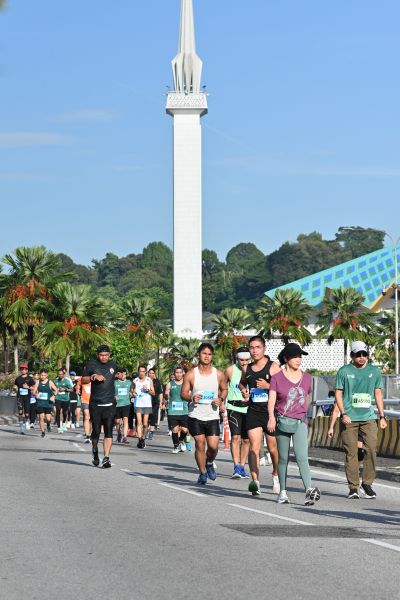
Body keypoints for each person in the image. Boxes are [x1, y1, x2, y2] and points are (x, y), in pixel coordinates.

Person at [268, 343, 321, 506]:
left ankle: (308, 491)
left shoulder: (307, 377)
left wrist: (304, 413)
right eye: (295, 357)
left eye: (300, 356)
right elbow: (272, 400)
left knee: (302, 457)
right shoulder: (277, 378)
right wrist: (271, 417)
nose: (298, 359)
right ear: (286, 358)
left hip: (300, 422)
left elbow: (307, 397)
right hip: (282, 421)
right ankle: (283, 492)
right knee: (283, 458)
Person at [334, 340, 387, 499]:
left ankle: (367, 483)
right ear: (352, 355)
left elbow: (378, 393)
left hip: (369, 418)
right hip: (349, 418)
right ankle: (353, 487)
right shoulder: (344, 371)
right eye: (358, 354)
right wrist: (343, 413)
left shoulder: (374, 371)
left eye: (364, 354)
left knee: (371, 449)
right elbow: (338, 394)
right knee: (351, 452)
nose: (362, 357)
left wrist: (382, 416)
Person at [181, 343, 227, 485]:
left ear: (212, 356)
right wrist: (191, 397)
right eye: (204, 353)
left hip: (212, 415)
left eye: (209, 354)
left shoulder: (218, 374)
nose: (206, 356)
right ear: (198, 355)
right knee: (200, 444)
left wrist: (220, 399)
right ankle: (202, 473)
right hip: (195, 415)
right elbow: (183, 393)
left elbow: (224, 389)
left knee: (213, 447)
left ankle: (209, 462)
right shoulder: (191, 374)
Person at [240, 335, 280, 496]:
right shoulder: (247, 368)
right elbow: (242, 383)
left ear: (264, 348)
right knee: (254, 447)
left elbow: (284, 388)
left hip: (270, 413)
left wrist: (268, 386)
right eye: (252, 348)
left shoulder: (273, 367)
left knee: (272, 448)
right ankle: (255, 481)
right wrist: (244, 391)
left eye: (258, 347)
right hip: (253, 411)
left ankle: (275, 475)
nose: (254, 350)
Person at [81, 344, 117, 468]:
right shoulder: (91, 364)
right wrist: (93, 377)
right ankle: (95, 450)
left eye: (106, 355)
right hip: (95, 403)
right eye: (101, 355)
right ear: (98, 355)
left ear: (109, 355)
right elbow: (83, 380)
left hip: (110, 404)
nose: (104, 357)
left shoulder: (113, 364)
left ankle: (106, 458)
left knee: (108, 430)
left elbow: (118, 376)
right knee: (96, 432)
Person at [225, 346, 251, 479]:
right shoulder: (230, 370)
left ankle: (242, 466)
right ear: (237, 358)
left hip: (249, 409)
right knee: (235, 437)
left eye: (247, 360)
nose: (244, 363)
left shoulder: (253, 370)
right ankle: (236, 466)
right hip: (233, 407)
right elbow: (222, 387)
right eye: (241, 360)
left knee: (246, 440)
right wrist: (221, 402)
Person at [164, 366, 189, 453]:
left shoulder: (186, 384)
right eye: (177, 372)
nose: (178, 374)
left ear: (183, 373)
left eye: (180, 372)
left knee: (185, 430)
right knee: (175, 429)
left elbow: (190, 394)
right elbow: (166, 396)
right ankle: (176, 446)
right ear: (174, 374)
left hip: (184, 410)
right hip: (172, 411)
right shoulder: (170, 384)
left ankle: (181, 440)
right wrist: (166, 395)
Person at [132, 366, 155, 448]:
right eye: (140, 371)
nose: (141, 373)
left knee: (145, 424)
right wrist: (133, 394)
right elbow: (131, 391)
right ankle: (140, 440)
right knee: (139, 423)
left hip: (147, 404)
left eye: (143, 371)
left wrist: (147, 390)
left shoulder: (149, 380)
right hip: (138, 403)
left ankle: (143, 438)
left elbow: (153, 393)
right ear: (138, 371)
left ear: (145, 372)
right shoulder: (135, 380)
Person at [34, 369, 58, 438]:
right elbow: (34, 391)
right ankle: (43, 432)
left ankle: (48, 424)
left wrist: (53, 396)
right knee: (41, 417)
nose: (43, 376)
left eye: (44, 375)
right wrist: (36, 394)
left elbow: (56, 390)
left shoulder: (50, 382)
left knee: (48, 419)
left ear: (47, 375)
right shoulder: (38, 382)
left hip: (48, 403)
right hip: (40, 403)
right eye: (41, 375)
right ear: (40, 375)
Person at [14, 363, 35, 434]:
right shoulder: (18, 379)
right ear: (20, 370)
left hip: (27, 397)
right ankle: (21, 427)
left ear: (27, 370)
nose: (23, 370)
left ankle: (26, 421)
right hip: (20, 397)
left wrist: (28, 387)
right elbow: (15, 386)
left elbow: (34, 388)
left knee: (27, 413)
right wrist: (15, 388)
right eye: (22, 369)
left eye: (25, 369)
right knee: (20, 412)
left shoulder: (30, 379)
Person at [114, 367, 132, 444]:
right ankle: (119, 433)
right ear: (118, 374)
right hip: (117, 405)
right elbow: (110, 392)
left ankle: (125, 437)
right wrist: (114, 396)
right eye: (121, 373)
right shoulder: (114, 382)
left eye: (124, 374)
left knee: (125, 419)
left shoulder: (129, 382)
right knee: (117, 422)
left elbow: (132, 391)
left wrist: (132, 394)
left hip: (126, 404)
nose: (123, 375)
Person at [54, 368, 73, 433]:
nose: (60, 375)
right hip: (58, 398)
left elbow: (72, 389)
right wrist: (55, 390)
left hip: (65, 399)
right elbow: (52, 388)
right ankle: (59, 427)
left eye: (61, 374)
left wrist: (65, 389)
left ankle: (64, 422)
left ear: (64, 374)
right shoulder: (55, 381)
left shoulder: (67, 381)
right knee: (58, 411)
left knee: (65, 412)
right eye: (59, 374)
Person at [147, 367, 163, 439]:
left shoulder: (157, 381)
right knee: (147, 417)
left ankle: (151, 432)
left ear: (154, 374)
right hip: (146, 402)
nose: (151, 374)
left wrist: (161, 402)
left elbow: (160, 393)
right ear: (148, 374)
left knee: (153, 417)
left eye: (152, 373)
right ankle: (146, 431)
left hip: (155, 402)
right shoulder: (145, 381)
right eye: (150, 373)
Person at [76, 376, 91, 443]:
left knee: (92, 418)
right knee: (86, 415)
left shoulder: (95, 377)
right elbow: (78, 385)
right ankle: (87, 436)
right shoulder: (82, 378)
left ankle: (90, 432)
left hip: (94, 400)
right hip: (84, 399)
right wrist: (77, 389)